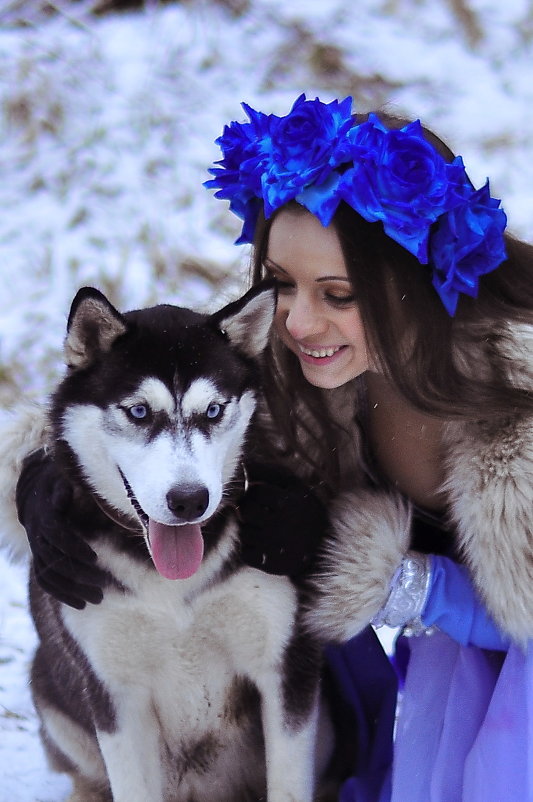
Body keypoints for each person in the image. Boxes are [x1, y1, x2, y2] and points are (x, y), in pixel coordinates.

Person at [10, 95, 533, 801]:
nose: (299, 319)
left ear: (412, 279)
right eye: (280, 283)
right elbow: (154, 372)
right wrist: (45, 472)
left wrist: (409, 585)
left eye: (338, 292)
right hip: (454, 661)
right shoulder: (294, 351)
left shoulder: (515, 399)